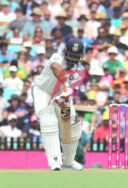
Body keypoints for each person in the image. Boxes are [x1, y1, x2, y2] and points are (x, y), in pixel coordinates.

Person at [31, 38, 86, 171]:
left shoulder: (80, 71)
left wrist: (66, 95)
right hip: (43, 92)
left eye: (76, 56)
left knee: (70, 122)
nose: (73, 59)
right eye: (71, 55)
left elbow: (72, 91)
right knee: (48, 122)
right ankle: (54, 160)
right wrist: (65, 83)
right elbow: (55, 67)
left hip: (61, 96)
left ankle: (68, 160)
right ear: (65, 52)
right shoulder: (57, 57)